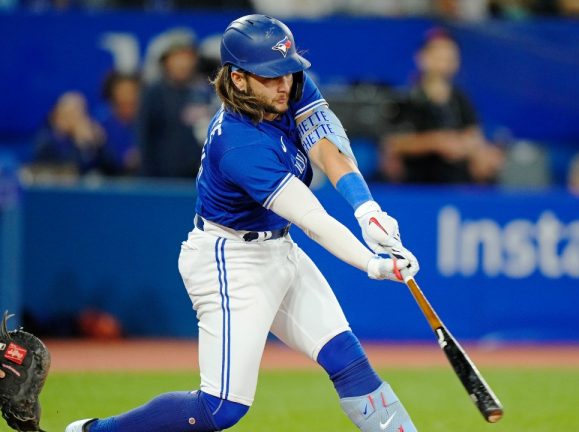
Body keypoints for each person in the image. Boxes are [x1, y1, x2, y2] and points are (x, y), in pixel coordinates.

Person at [66, 14, 419, 432]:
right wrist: (373, 264)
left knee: (349, 362)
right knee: (220, 408)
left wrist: (366, 208)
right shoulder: (239, 144)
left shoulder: (291, 87)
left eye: (286, 72)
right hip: (230, 261)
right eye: (269, 77)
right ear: (237, 79)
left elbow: (327, 146)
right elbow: (312, 219)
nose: (283, 83)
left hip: (278, 248)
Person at [382, 28, 504, 184]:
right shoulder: (406, 97)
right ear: (422, 58)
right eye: (439, 56)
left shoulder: (460, 99)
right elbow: (393, 143)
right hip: (417, 182)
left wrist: (474, 150)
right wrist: (436, 142)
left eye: (450, 57)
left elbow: (473, 135)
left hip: (456, 181)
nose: (445, 62)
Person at [136, 28, 215, 178]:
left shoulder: (205, 91)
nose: (182, 63)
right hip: (163, 180)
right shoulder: (154, 92)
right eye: (176, 57)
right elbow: (144, 136)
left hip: (200, 179)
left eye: (187, 56)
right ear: (165, 62)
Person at [26, 91, 111, 178]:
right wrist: (81, 145)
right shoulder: (46, 139)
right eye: (72, 112)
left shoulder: (87, 137)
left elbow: (107, 169)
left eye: (81, 112)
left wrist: (100, 144)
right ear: (58, 114)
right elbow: (70, 170)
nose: (79, 118)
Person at [95, 71, 142, 176]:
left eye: (132, 91)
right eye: (122, 91)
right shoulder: (100, 122)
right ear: (112, 93)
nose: (127, 96)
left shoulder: (149, 123)